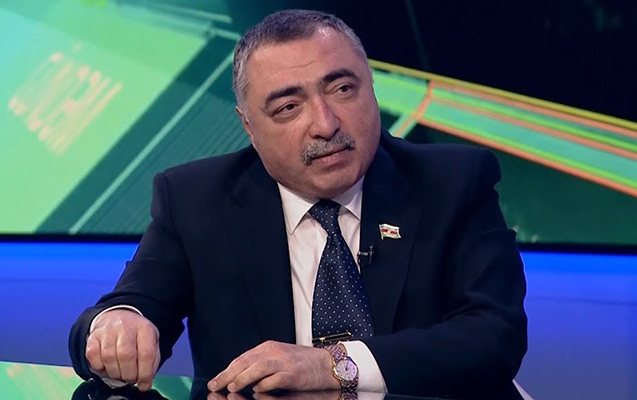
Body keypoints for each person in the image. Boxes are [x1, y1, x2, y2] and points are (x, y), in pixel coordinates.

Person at [69, 9, 527, 400]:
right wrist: (118, 328)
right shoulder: (195, 200)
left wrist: (332, 365)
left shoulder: (452, 182)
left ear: (371, 87)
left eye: (342, 89)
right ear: (249, 126)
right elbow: (132, 305)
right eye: (288, 107)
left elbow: (494, 336)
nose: (325, 124)